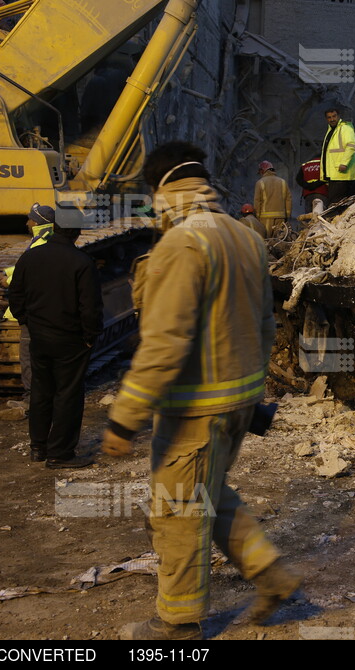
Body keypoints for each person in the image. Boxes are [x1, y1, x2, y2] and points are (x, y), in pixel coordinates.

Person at [100, 141, 302, 641]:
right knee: (209, 496)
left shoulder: (181, 244)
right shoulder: (244, 235)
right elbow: (264, 325)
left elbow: (165, 343)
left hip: (195, 408)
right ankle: (272, 575)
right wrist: (254, 397)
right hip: (236, 402)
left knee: (177, 510)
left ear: (161, 187)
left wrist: (124, 417)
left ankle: (178, 623)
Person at [8, 212, 102, 468]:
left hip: (39, 338)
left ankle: (37, 447)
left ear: (54, 228)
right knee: (68, 394)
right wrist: (90, 336)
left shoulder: (31, 256)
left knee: (41, 391)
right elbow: (90, 307)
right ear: (77, 232)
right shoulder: (82, 262)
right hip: (71, 340)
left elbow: (15, 294)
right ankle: (60, 454)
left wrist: (27, 321)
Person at [3, 203, 56, 400]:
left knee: (30, 356)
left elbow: (31, 271)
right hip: (46, 312)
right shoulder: (46, 240)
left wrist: (8, 280)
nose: (27, 222)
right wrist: (7, 273)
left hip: (35, 314)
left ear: (37, 222)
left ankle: (34, 397)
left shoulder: (40, 244)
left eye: (30, 219)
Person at [320, 108, 355, 203]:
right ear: (326, 119)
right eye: (329, 117)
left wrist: (344, 163)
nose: (332, 119)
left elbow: (351, 146)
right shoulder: (331, 130)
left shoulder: (345, 128)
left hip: (341, 174)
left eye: (334, 116)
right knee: (335, 201)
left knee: (337, 202)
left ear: (339, 116)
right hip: (334, 174)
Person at [253, 160, 292, 235]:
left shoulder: (260, 183)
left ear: (262, 170)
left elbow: (257, 201)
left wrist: (257, 216)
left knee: (267, 241)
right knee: (279, 241)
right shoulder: (283, 182)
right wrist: (287, 216)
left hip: (265, 219)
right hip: (281, 218)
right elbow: (288, 200)